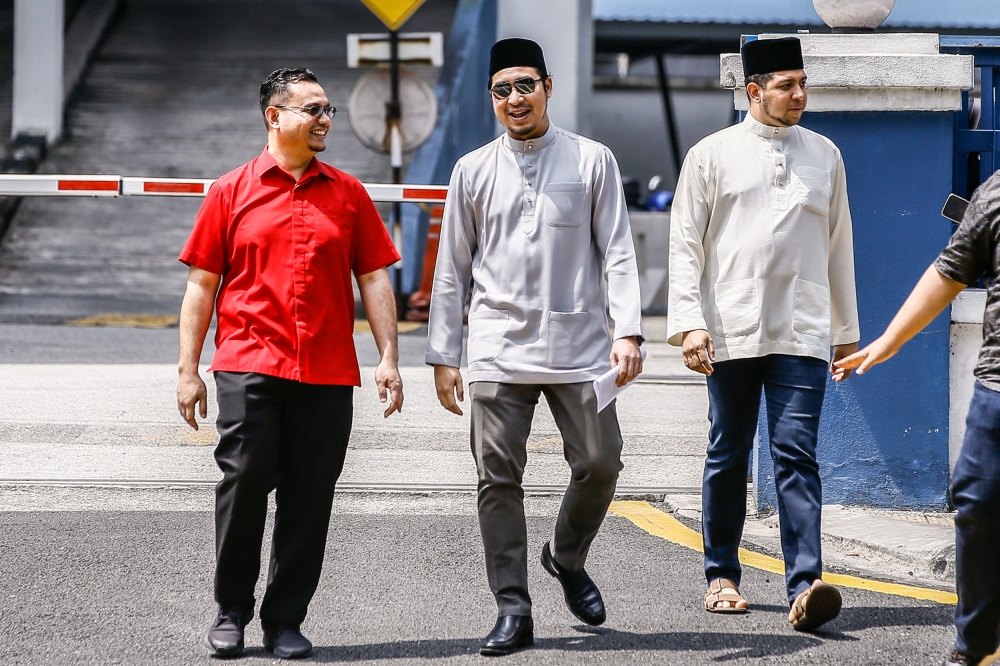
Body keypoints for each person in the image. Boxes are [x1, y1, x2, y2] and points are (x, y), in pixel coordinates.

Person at [426, 38, 644, 656]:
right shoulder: (471, 170)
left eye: (525, 85)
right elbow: (451, 270)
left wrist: (627, 330)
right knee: (496, 476)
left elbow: (620, 253)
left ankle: (567, 558)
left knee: (602, 462)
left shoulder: (592, 160)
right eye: (502, 89)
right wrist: (445, 354)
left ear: (548, 86)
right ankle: (512, 607)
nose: (515, 99)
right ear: (490, 98)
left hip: (581, 345)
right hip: (496, 347)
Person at [176, 68, 404, 659]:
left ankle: (285, 619)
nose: (326, 119)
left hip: (327, 371)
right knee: (246, 479)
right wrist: (187, 369)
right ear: (275, 117)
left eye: (328, 109)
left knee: (309, 496)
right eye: (313, 109)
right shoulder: (231, 190)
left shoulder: (349, 194)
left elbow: (374, 277)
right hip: (249, 361)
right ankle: (230, 610)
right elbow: (202, 286)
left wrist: (388, 358)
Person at [668, 37, 860, 631]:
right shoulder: (711, 154)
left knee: (796, 452)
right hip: (729, 328)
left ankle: (806, 585)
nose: (799, 95)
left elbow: (838, 244)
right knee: (727, 452)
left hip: (802, 329)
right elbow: (684, 243)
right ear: (754, 90)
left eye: (803, 83)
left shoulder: (824, 154)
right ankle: (721, 574)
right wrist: (689, 324)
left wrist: (845, 330)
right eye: (786, 85)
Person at [835, 172, 1000, 665]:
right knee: (978, 502)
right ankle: (976, 646)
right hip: (998, 383)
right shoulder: (996, 190)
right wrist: (892, 339)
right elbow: (951, 268)